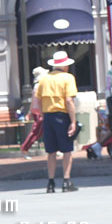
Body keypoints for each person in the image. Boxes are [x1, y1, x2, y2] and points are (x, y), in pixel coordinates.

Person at [34, 51, 79, 192]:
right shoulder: (68, 78)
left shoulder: (44, 79)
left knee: (51, 151)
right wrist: (73, 121)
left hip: (48, 116)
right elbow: (69, 101)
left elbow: (38, 101)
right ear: (65, 66)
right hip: (62, 115)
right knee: (67, 150)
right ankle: (66, 181)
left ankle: (51, 183)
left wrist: (43, 115)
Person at [20, 66, 49, 158]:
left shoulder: (38, 86)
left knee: (43, 131)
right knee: (37, 132)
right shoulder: (38, 86)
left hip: (38, 111)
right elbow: (37, 100)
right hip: (39, 112)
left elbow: (33, 101)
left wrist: (29, 112)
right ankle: (24, 148)